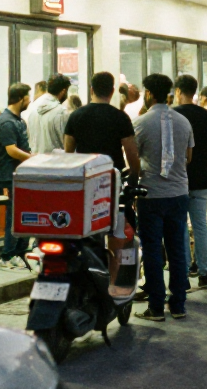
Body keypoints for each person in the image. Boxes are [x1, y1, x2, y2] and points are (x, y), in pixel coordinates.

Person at [63, 71, 141, 284]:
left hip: (85, 185)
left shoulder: (76, 116)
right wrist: (133, 180)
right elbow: (132, 156)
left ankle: (90, 271)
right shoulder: (120, 117)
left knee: (88, 229)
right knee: (117, 229)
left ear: (91, 90)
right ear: (113, 91)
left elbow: (68, 155)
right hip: (112, 185)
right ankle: (116, 276)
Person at [131, 73, 194, 321]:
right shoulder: (183, 122)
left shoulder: (141, 123)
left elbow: (133, 160)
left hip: (151, 195)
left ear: (148, 94)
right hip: (179, 194)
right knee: (177, 249)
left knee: (153, 250)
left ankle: (156, 307)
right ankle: (178, 305)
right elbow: (188, 157)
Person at [173, 74, 207, 289]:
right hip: (202, 176)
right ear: (195, 92)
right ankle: (203, 272)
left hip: (178, 178)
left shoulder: (173, 115)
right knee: (200, 224)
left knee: (181, 226)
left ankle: (183, 273)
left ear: (178, 92)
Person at [0, 83, 33, 269]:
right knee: (13, 216)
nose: (30, 100)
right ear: (19, 99)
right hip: (9, 177)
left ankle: (19, 252)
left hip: (21, 175)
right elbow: (11, 150)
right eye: (27, 97)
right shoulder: (7, 122)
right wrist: (33, 158)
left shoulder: (19, 121)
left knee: (24, 215)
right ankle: (7, 256)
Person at [26, 73, 70, 154]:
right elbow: (66, 144)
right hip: (54, 163)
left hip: (35, 162)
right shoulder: (61, 112)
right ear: (63, 91)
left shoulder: (33, 109)